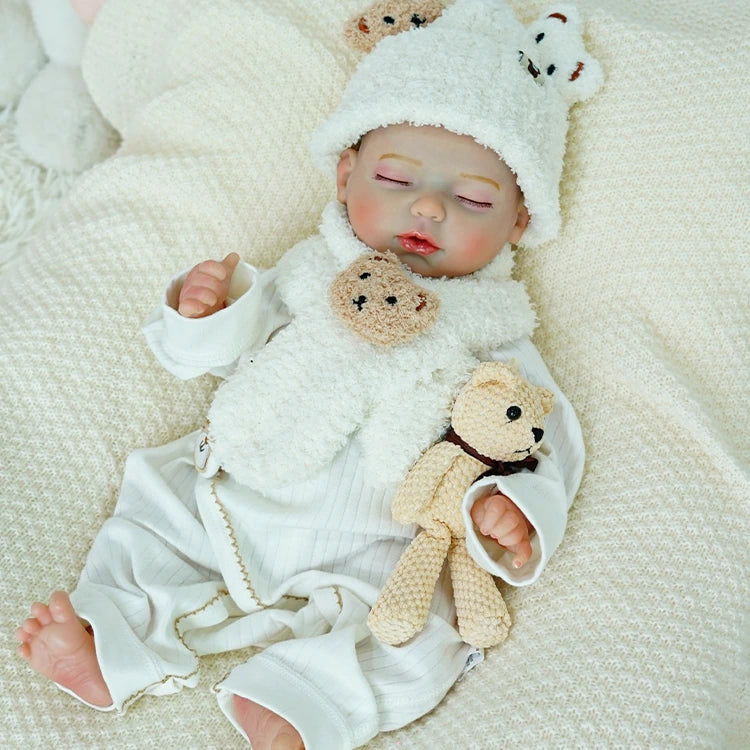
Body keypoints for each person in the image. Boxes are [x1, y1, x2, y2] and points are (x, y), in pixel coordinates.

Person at [15, 1, 601, 748]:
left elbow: (536, 437)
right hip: (238, 494)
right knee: (151, 513)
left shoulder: (499, 334)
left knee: (428, 639)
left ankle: (298, 703)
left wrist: (512, 508)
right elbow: (224, 350)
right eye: (395, 177)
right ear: (344, 172)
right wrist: (206, 313)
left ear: (519, 220)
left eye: (474, 198)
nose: (427, 205)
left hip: (374, 552)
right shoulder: (309, 271)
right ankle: (108, 643)